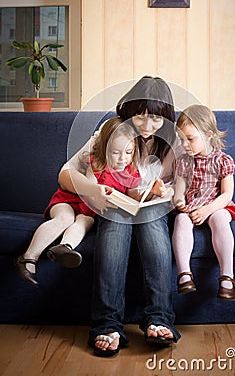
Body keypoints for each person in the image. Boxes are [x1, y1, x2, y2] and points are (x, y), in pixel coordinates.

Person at [58, 76, 182, 357]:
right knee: (117, 219)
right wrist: (94, 190)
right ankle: (106, 324)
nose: (148, 127)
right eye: (141, 116)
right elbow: (65, 174)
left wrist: (166, 190)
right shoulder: (111, 131)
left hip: (153, 209)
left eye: (157, 120)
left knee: (150, 219)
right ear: (129, 111)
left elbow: (188, 182)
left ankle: (159, 319)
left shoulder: (174, 140)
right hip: (114, 207)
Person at [16, 116, 140, 287]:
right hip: (69, 200)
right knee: (65, 219)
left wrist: (150, 193)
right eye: (115, 152)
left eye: (128, 152)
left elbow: (134, 194)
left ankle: (65, 247)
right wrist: (97, 196)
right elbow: (89, 188)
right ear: (104, 149)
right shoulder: (96, 163)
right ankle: (29, 257)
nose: (122, 159)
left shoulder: (131, 171)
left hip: (87, 211)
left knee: (85, 221)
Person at [172, 104, 235, 302]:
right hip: (191, 207)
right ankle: (184, 274)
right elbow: (179, 191)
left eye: (190, 139)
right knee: (180, 220)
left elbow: (227, 193)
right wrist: (179, 202)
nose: (185, 145)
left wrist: (208, 209)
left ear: (208, 135)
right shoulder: (183, 161)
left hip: (216, 206)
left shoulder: (223, 160)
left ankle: (227, 276)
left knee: (221, 218)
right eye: (182, 140)